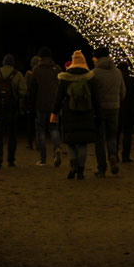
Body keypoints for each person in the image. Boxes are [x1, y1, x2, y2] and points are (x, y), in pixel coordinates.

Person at [51, 51, 97, 180]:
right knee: (82, 143)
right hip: (86, 113)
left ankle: (73, 165)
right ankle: (81, 170)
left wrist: (54, 112)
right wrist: (97, 113)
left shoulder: (65, 78)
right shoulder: (90, 78)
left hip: (69, 114)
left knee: (70, 142)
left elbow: (58, 98)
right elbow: (95, 98)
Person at [91, 46, 126, 177]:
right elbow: (123, 92)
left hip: (99, 110)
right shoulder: (117, 72)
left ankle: (101, 168)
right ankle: (112, 154)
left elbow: (91, 93)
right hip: (114, 108)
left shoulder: (94, 73)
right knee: (112, 136)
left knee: (99, 139)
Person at [28, 47, 63, 166]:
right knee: (54, 128)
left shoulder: (36, 70)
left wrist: (31, 104)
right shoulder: (57, 69)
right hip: (54, 105)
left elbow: (32, 89)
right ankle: (57, 148)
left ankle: (43, 158)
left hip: (40, 104)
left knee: (40, 130)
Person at [117, 62, 134, 163]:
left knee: (115, 134)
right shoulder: (133, 81)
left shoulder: (116, 80)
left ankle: (114, 154)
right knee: (127, 134)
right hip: (129, 110)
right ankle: (125, 156)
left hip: (117, 108)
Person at [24, 55, 41, 149]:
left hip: (31, 101)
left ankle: (30, 142)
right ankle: (38, 142)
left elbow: (26, 88)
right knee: (39, 123)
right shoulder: (40, 74)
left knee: (30, 122)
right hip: (40, 100)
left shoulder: (29, 74)